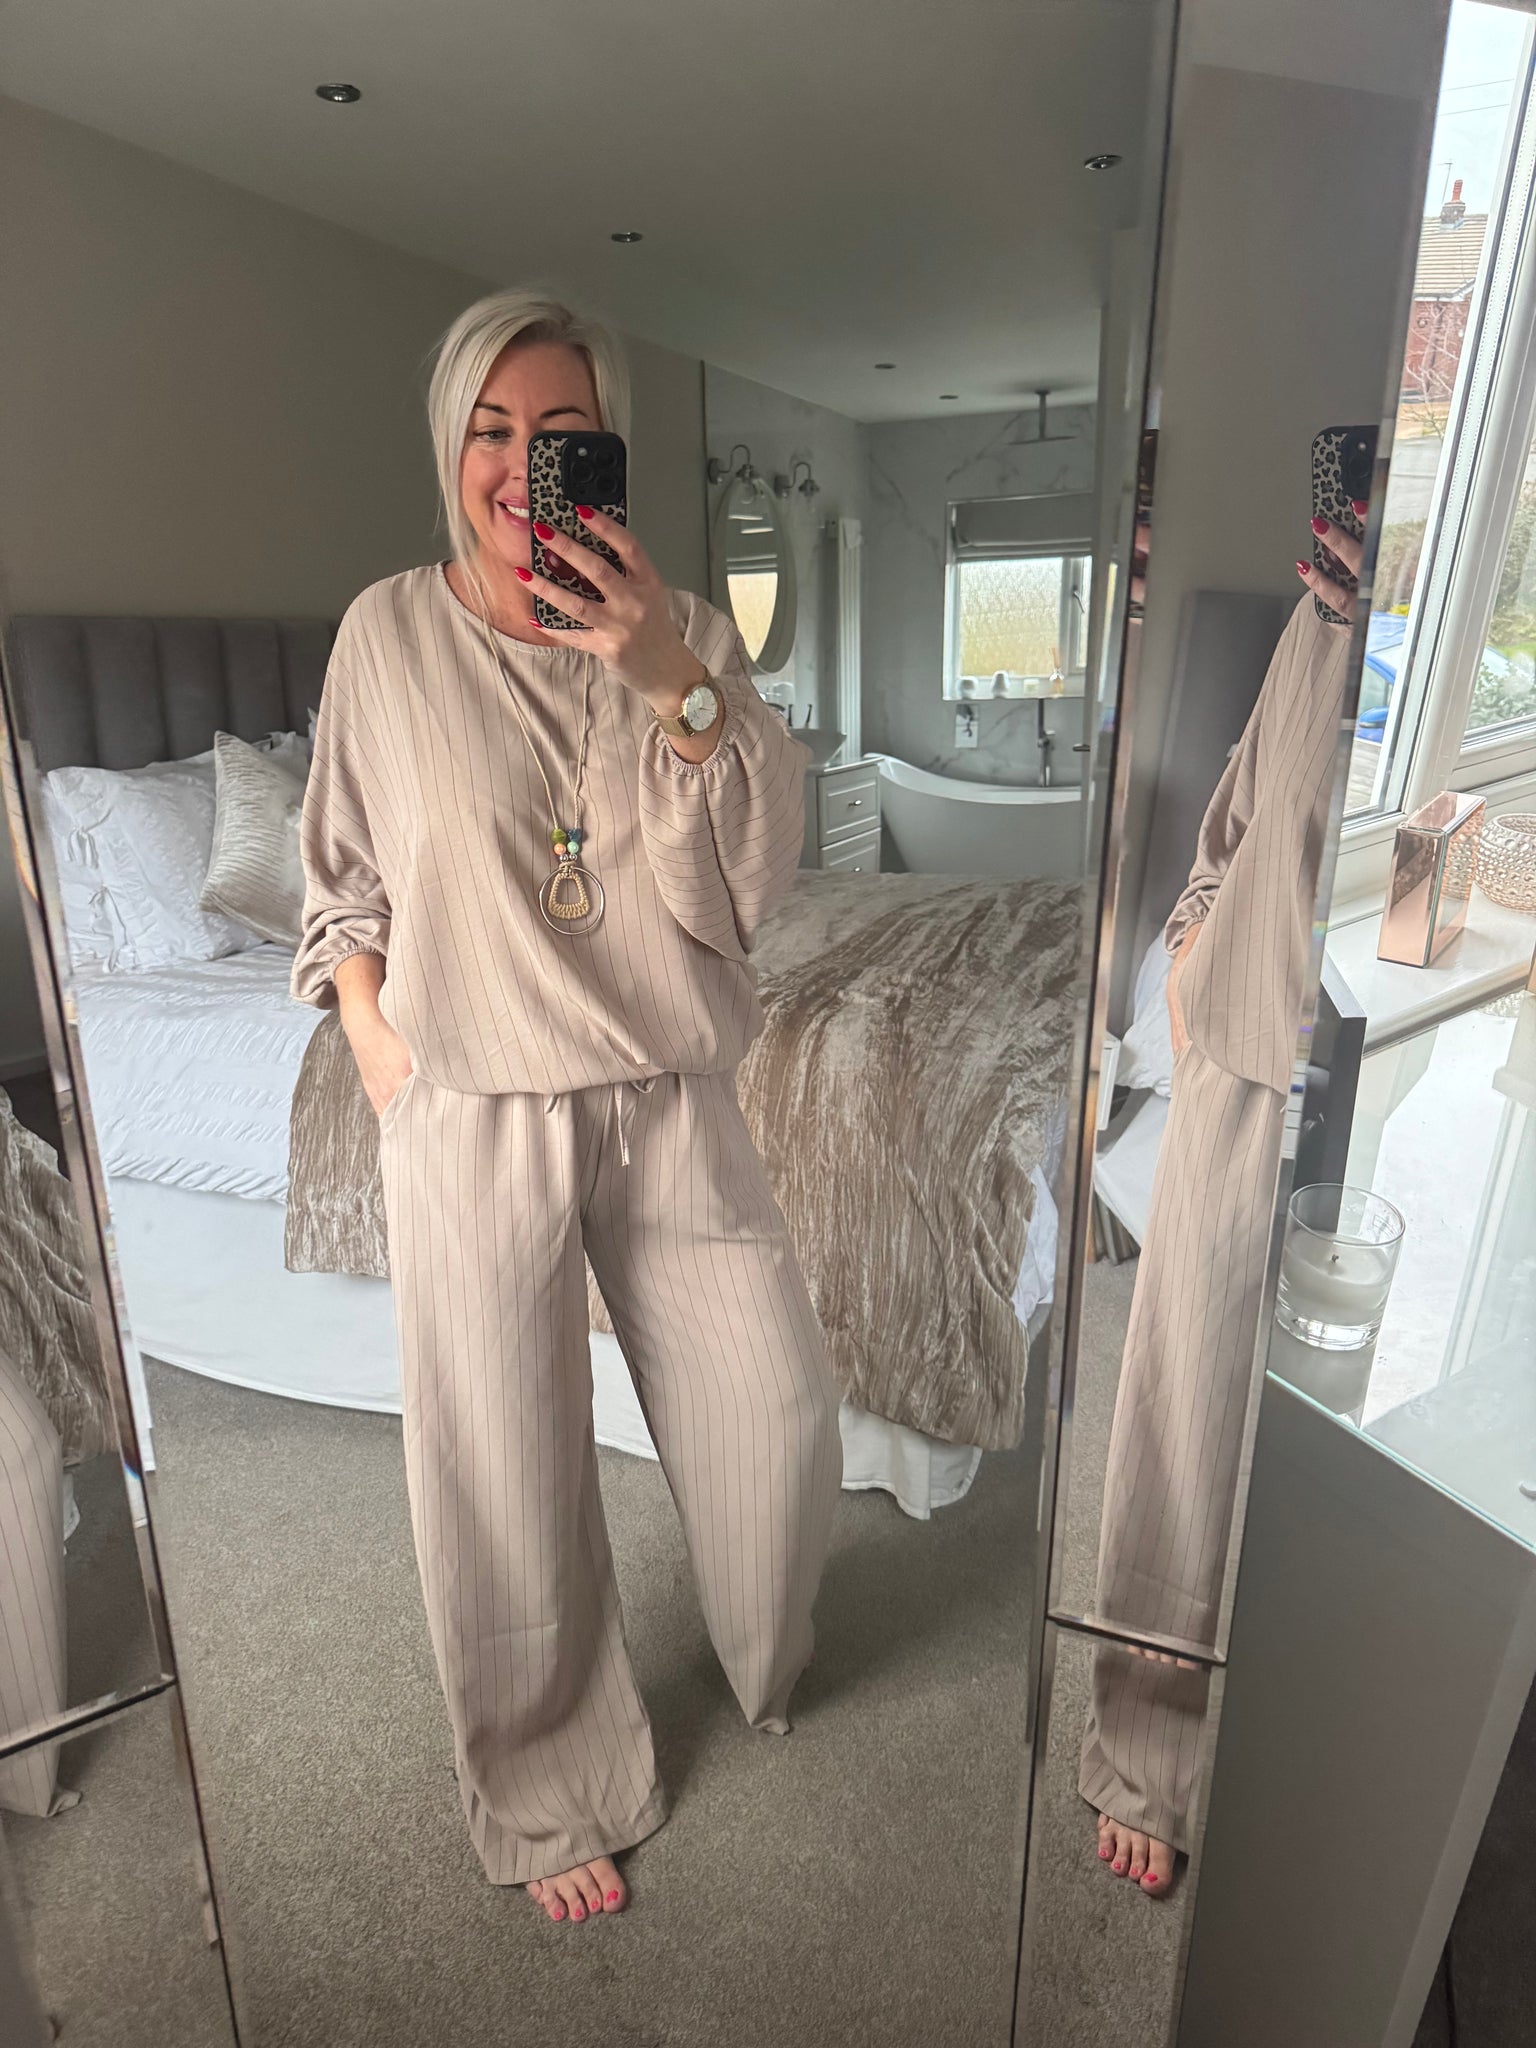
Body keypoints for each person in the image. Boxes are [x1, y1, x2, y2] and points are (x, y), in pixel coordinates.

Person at [292, 290, 843, 1926]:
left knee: (776, 1422)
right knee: (505, 1477)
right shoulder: (386, 635)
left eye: (560, 435)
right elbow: (341, 872)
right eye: (492, 431)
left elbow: (748, 887)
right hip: (474, 1112)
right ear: (450, 447)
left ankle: (765, 1655)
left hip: (669, 1096)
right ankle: (544, 1784)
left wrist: (665, 674)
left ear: (608, 454)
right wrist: (373, 1032)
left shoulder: (687, 630)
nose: (521, 465)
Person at [1081, 511, 1367, 1894]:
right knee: (1183, 1426)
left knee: (1354, 1473)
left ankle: (1327, 1743)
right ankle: (1152, 1746)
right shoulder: (1316, 626)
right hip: (1243, 1064)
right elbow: (1229, 832)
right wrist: (1194, 941)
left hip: (1388, 1035)